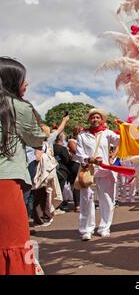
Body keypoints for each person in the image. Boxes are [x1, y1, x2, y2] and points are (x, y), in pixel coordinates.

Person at [0, 57, 45, 275]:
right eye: (23, 79)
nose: (26, 84)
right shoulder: (18, 107)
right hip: (6, 185)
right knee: (14, 242)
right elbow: (36, 138)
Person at [75, 108, 120, 241]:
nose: (95, 119)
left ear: (102, 120)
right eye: (92, 117)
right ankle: (86, 230)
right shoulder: (82, 135)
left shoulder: (107, 133)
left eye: (97, 117)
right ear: (89, 120)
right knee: (86, 201)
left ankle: (104, 228)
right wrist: (89, 160)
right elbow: (79, 153)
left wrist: (123, 127)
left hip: (105, 171)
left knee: (107, 200)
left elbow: (120, 140)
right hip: (88, 171)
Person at [53, 131, 72, 210]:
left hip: (53, 170)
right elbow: (67, 160)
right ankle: (57, 206)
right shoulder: (62, 148)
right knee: (59, 189)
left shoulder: (51, 147)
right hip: (62, 170)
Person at [68, 126, 82, 211]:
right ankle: (77, 205)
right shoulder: (72, 141)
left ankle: (83, 203)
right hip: (75, 164)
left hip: (82, 163)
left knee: (83, 184)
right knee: (76, 184)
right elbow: (76, 151)